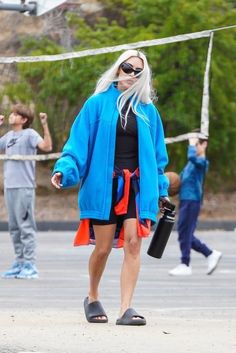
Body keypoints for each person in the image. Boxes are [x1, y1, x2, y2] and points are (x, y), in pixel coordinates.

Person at [51, 49, 169, 325]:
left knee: (133, 244)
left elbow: (158, 157)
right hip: (104, 186)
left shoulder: (148, 111)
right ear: (118, 69)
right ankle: (92, 296)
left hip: (137, 189)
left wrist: (161, 189)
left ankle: (126, 308)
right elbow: (77, 144)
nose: (132, 74)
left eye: (138, 71)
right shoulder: (96, 104)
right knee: (102, 248)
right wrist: (64, 170)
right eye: (128, 67)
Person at [0, 104, 52, 279]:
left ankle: (30, 265)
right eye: (12, 113)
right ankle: (20, 262)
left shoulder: (29, 134)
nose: (11, 116)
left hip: (24, 187)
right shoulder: (7, 137)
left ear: (24, 119)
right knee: (14, 227)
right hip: (10, 187)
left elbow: (46, 147)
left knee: (26, 226)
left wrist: (44, 125)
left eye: (15, 114)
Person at [169, 136, 222, 276]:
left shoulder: (202, 162)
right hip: (185, 200)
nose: (194, 146)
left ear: (204, 145)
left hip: (192, 201)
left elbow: (192, 157)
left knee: (186, 234)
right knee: (184, 234)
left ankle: (185, 264)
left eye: (197, 144)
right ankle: (210, 253)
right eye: (194, 144)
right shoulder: (190, 164)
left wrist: (191, 145)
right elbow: (180, 180)